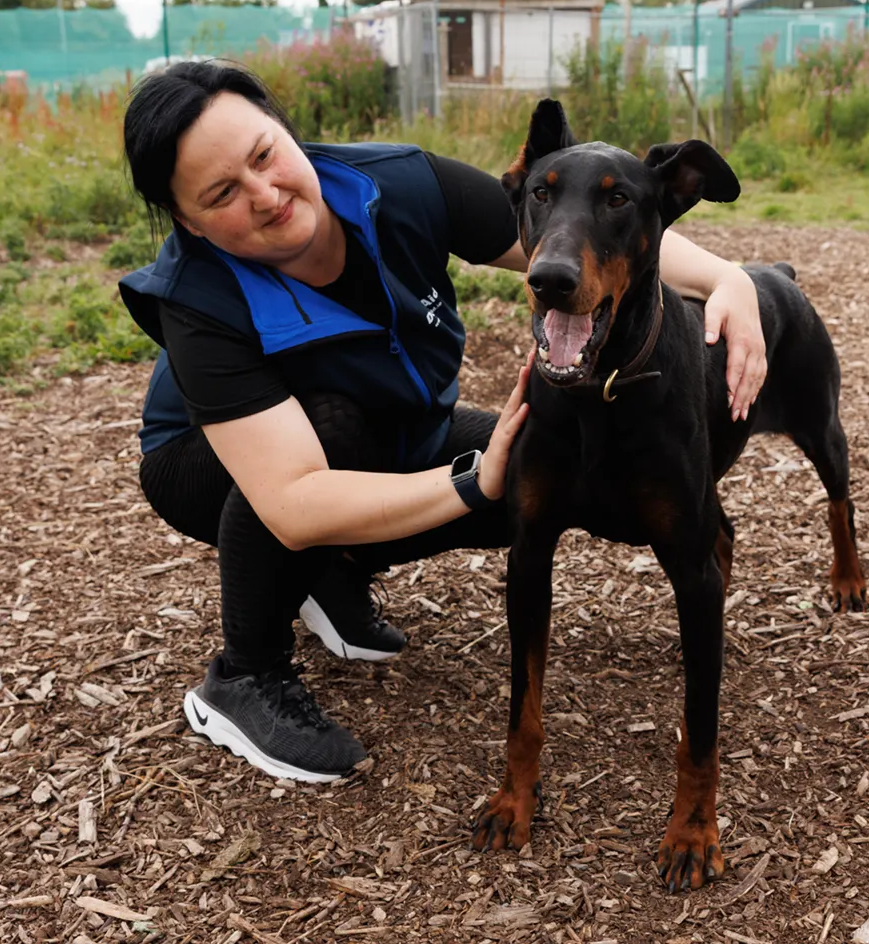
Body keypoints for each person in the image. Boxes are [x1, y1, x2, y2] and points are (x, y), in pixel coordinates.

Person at [119, 59, 767, 784]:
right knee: (361, 438)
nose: (266, 194)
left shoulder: (398, 184)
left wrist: (727, 279)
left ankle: (329, 578)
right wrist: (467, 481)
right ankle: (244, 676)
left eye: (264, 155)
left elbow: (565, 234)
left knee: (530, 475)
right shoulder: (194, 299)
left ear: (285, 131)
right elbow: (292, 500)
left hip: (391, 426)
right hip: (217, 466)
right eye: (222, 193)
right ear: (186, 219)